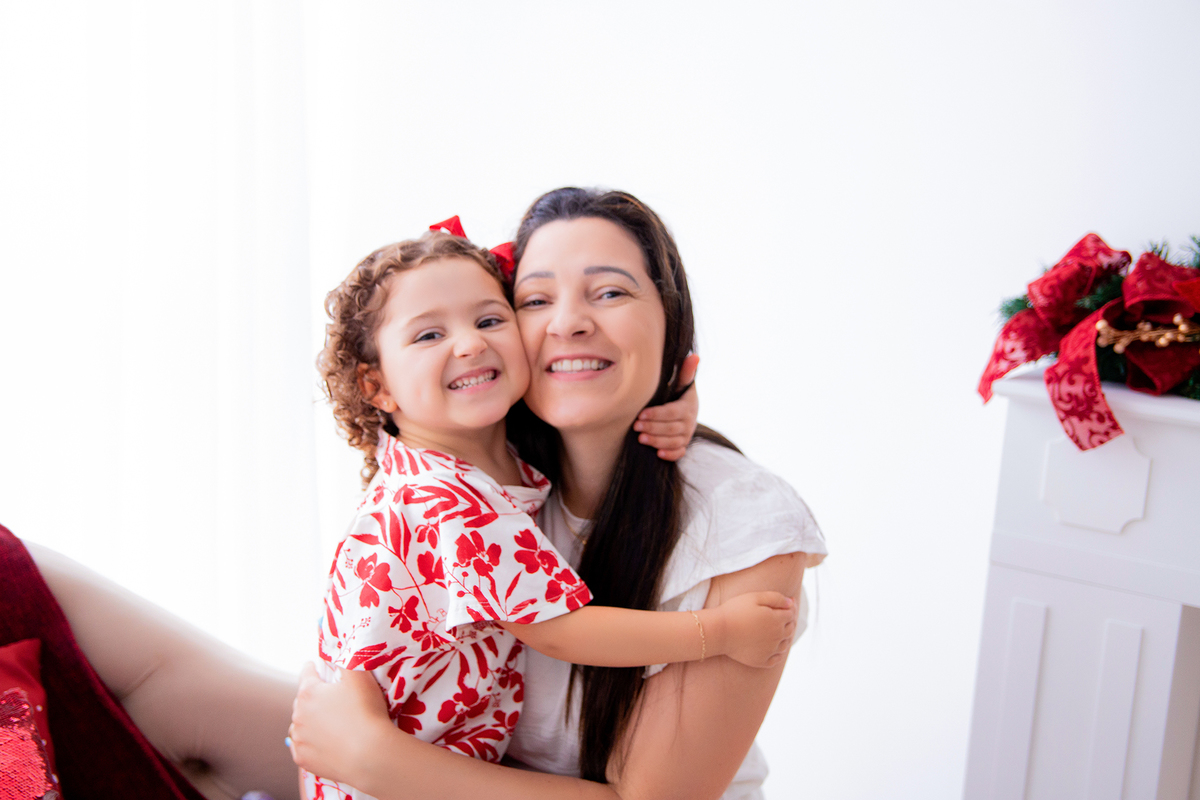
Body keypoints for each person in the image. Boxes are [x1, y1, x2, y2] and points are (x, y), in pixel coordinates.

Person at [288, 188, 828, 800]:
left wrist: (373, 758)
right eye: (537, 300)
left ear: (672, 327)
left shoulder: (739, 516)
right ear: (377, 386)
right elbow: (558, 628)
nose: (567, 322)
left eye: (611, 292)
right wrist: (717, 632)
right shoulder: (466, 482)